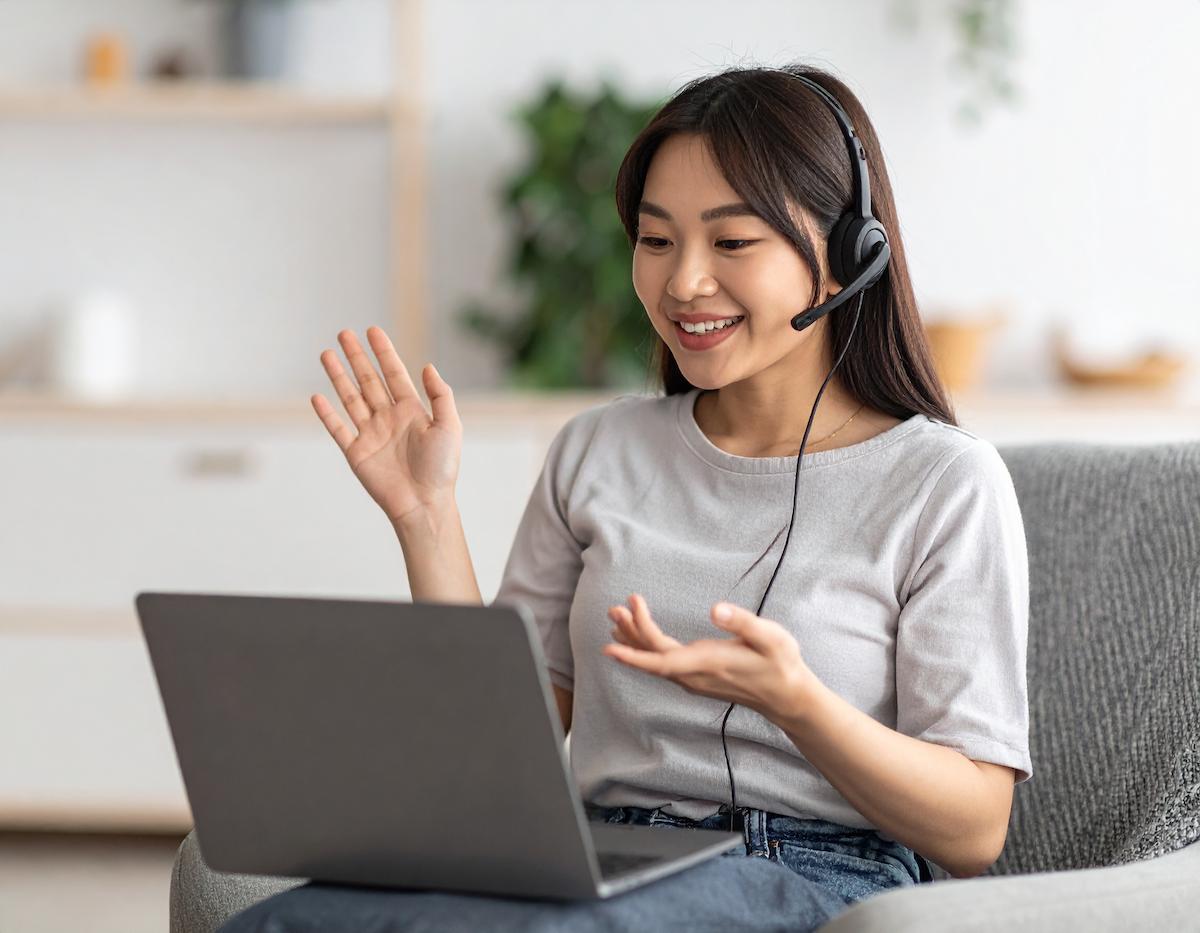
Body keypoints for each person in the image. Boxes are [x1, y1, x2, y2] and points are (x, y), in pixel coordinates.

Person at [231, 62, 1032, 933]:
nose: (684, 282)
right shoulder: (597, 451)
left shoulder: (942, 483)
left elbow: (975, 827)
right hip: (592, 856)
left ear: (846, 259)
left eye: (732, 243)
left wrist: (795, 700)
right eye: (656, 241)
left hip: (810, 872)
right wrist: (425, 515)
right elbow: (496, 759)